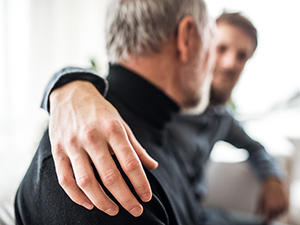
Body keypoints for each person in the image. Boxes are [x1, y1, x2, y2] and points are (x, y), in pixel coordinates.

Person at [34, 10, 289, 224]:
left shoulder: (222, 118)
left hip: (194, 211)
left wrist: (273, 177)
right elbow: (120, 86)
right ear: (189, 40)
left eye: (242, 56)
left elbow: (255, 147)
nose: (230, 62)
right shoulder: (164, 105)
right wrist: (66, 86)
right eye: (219, 47)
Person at [15, 0, 219, 224]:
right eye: (213, 38)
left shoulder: (156, 128)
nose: (216, 60)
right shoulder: (90, 159)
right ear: (186, 38)